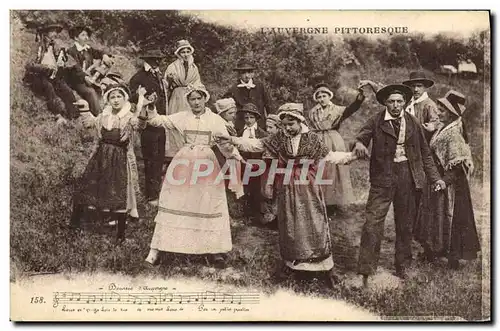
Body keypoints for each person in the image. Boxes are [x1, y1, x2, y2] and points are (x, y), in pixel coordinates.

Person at [219, 103, 355, 287]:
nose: (287, 128)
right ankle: (293, 264)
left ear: (300, 122)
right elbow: (257, 144)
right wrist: (234, 140)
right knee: (290, 222)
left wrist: (352, 156)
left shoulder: (312, 139)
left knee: (313, 221)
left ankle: (321, 267)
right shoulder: (280, 138)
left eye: (291, 124)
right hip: (287, 186)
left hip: (308, 186)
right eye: (284, 125)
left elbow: (330, 156)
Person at [352, 84, 445, 286]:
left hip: (408, 178)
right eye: (391, 101)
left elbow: (425, 153)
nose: (395, 105)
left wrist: (435, 178)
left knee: (405, 225)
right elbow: (362, 136)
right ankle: (365, 271)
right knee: (372, 223)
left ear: (405, 102)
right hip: (383, 178)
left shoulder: (412, 122)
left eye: (399, 101)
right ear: (385, 102)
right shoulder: (376, 121)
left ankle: (403, 266)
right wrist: (359, 143)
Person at [143, 85, 244, 268]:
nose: (196, 102)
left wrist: (235, 154)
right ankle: (156, 249)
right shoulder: (182, 117)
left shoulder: (215, 120)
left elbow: (225, 143)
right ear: (188, 100)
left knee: (208, 202)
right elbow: (158, 121)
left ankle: (214, 251)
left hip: (207, 164)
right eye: (192, 99)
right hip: (184, 162)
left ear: (205, 98)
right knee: (175, 200)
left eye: (199, 98)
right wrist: (151, 106)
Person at [414, 90, 480, 268]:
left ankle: (453, 258)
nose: (438, 112)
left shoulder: (453, 134)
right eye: (439, 108)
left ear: (451, 113)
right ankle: (433, 251)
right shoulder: (443, 128)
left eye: (442, 110)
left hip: (451, 183)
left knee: (452, 218)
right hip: (436, 178)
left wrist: (444, 181)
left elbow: (458, 164)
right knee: (435, 215)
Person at [70, 84, 141, 244]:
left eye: (119, 97)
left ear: (124, 99)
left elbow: (139, 125)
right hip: (101, 156)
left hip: (120, 158)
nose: (116, 100)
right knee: (87, 187)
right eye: (112, 97)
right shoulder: (104, 116)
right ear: (108, 100)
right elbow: (90, 124)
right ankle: (74, 226)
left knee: (119, 192)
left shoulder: (130, 117)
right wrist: (85, 109)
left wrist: (142, 113)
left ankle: (121, 234)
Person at [307, 82, 367, 210]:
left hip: (334, 139)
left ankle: (334, 202)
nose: (322, 99)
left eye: (324, 96)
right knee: (319, 168)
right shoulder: (313, 112)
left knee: (335, 169)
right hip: (318, 139)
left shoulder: (338, 110)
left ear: (329, 96)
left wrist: (359, 97)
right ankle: (320, 200)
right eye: (319, 97)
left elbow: (352, 108)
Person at [129, 49, 169, 205]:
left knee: (159, 157)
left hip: (160, 120)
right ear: (147, 60)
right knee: (150, 158)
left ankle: (157, 192)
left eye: (158, 59)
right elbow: (131, 96)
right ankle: (151, 195)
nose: (157, 62)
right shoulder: (139, 77)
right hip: (147, 122)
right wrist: (145, 98)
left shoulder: (158, 75)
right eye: (153, 59)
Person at [23, 22, 79, 123]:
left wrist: (62, 64)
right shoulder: (38, 45)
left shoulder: (55, 46)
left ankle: (74, 116)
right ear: (45, 33)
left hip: (52, 75)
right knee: (49, 87)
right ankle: (58, 114)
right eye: (52, 31)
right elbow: (29, 65)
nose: (55, 34)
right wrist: (44, 68)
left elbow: (62, 63)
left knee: (66, 89)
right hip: (37, 77)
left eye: (56, 32)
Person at [165, 40, 203, 160]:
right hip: (177, 96)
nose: (186, 54)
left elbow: (198, 82)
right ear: (179, 53)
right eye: (183, 52)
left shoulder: (193, 67)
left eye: (187, 51)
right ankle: (175, 152)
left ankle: (190, 151)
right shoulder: (173, 66)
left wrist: (195, 89)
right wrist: (170, 81)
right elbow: (166, 84)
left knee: (190, 122)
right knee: (177, 121)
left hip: (190, 96)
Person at [65, 25, 112, 116]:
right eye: (83, 35)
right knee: (90, 92)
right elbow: (75, 68)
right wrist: (85, 77)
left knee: (103, 88)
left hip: (89, 78)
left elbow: (100, 52)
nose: (86, 38)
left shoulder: (88, 49)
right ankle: (98, 116)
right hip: (76, 80)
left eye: (87, 35)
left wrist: (104, 55)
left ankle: (107, 113)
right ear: (76, 38)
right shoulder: (71, 51)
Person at [223, 59, 273, 131]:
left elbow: (269, 105)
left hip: (260, 126)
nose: (247, 75)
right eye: (243, 73)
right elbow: (224, 107)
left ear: (253, 73)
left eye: (249, 72)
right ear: (239, 74)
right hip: (241, 126)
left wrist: (270, 122)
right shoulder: (233, 89)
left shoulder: (260, 86)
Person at [260, 114, 282, 228]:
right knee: (266, 190)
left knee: (278, 191)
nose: (268, 130)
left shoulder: (283, 140)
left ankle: (278, 217)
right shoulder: (267, 140)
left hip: (279, 169)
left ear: (278, 127)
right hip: (268, 168)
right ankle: (268, 217)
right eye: (266, 127)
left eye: (270, 127)